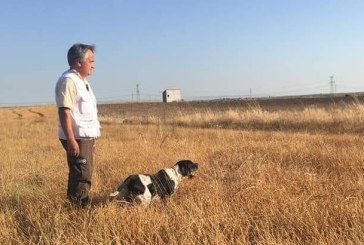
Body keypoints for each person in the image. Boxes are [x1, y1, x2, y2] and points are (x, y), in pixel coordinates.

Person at [55, 43, 101, 206]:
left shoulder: (82, 81)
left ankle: (74, 206)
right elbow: (64, 112)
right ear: (78, 62)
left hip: (85, 138)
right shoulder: (69, 81)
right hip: (77, 137)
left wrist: (92, 139)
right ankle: (79, 211)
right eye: (90, 60)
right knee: (82, 175)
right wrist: (71, 139)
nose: (93, 65)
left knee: (82, 173)